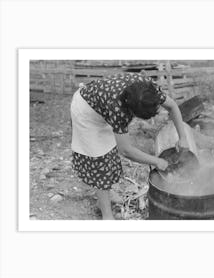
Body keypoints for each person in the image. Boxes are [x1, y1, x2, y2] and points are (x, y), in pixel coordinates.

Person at [70, 72, 188, 219]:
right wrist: (156, 161)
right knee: (99, 161)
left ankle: (105, 196)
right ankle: (107, 216)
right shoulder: (117, 108)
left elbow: (172, 107)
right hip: (86, 111)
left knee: (109, 151)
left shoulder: (149, 90)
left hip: (102, 105)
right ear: (130, 110)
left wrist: (183, 137)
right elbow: (125, 150)